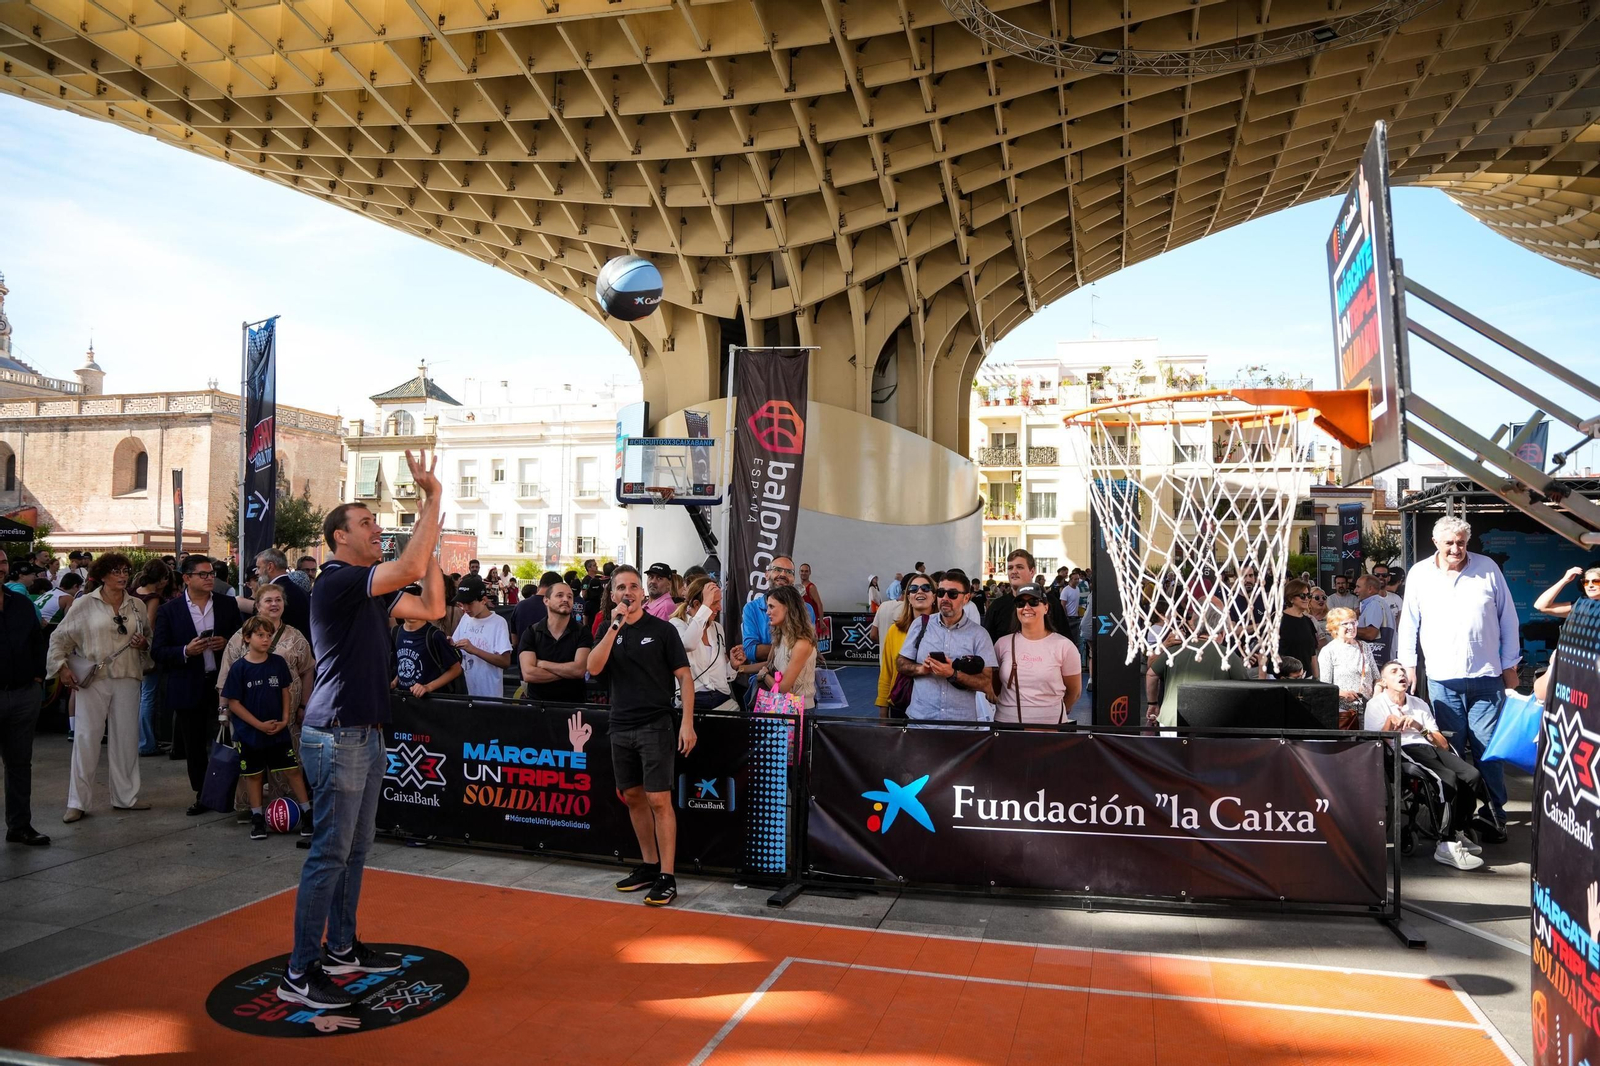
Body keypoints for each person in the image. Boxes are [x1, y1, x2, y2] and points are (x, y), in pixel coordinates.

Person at [277, 451, 446, 1011]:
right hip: (338, 733)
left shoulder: (370, 589)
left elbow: (434, 606)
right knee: (330, 852)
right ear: (339, 539)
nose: (378, 529)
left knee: (354, 849)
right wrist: (431, 500)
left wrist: (432, 536)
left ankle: (342, 948)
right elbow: (408, 570)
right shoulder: (339, 582)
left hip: (366, 733)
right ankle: (300, 972)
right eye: (367, 523)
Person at [1397, 514, 1521, 840]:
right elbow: (1409, 623)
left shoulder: (1487, 568)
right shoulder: (1420, 573)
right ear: (1436, 543)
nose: (1456, 548)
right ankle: (1456, 818)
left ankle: (1495, 817)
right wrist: (1409, 665)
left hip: (1487, 677)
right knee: (1450, 752)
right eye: (1449, 542)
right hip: (1441, 680)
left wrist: (1510, 664)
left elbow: (1508, 618)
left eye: (1461, 542)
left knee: (1488, 753)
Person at [585, 565, 694, 907]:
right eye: (621, 587)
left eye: (634, 586)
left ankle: (667, 875)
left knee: (659, 799)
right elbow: (593, 667)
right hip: (620, 724)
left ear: (643, 594)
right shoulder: (608, 628)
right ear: (613, 595)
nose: (628, 592)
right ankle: (648, 865)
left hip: (655, 724)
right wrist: (613, 627)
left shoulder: (662, 630)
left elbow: (685, 677)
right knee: (632, 796)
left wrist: (687, 723)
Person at [47, 552, 153, 821]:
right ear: (103, 575)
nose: (122, 576)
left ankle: (126, 797)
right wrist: (62, 667)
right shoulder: (84, 604)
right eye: (116, 571)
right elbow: (59, 638)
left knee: (127, 739)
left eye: (125, 571)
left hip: (128, 676)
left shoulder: (137, 606)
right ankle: (77, 802)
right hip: (94, 678)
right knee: (86, 738)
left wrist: (144, 644)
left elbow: (149, 638)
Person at [1366, 661, 1487, 870]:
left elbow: (1442, 744)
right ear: (1384, 682)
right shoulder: (1376, 704)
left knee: (1472, 775)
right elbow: (1374, 741)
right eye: (1394, 672)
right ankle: (1446, 844)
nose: (1401, 674)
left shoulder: (1419, 704)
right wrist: (1389, 724)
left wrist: (1418, 726)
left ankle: (1458, 829)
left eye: (1403, 671)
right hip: (1402, 748)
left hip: (1428, 746)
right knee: (1446, 779)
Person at [153, 554, 245, 816]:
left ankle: (235, 792)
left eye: (211, 574)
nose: (209, 579)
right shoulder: (169, 610)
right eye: (203, 574)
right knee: (194, 745)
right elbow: (158, 652)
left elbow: (243, 638)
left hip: (223, 685)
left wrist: (226, 642)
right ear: (186, 578)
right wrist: (185, 650)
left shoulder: (227, 605)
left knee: (231, 739)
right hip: (189, 683)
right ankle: (203, 794)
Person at [222, 616, 313, 841]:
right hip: (250, 733)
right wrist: (258, 725)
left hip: (277, 731)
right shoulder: (239, 668)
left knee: (292, 770)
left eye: (268, 635)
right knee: (253, 775)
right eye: (260, 635)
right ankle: (257, 818)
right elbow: (234, 703)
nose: (265, 639)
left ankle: (308, 813)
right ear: (247, 638)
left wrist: (284, 719)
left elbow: (285, 691)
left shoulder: (277, 663)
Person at [897, 569, 996, 722]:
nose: (945, 598)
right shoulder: (920, 625)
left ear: (966, 598)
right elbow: (901, 663)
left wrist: (952, 674)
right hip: (921, 722)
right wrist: (921, 669)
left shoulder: (979, 635)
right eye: (941, 592)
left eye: (953, 594)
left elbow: (986, 682)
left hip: (960, 726)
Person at [1, 553, 49, 845]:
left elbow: (37, 640)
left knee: (20, 764)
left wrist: (38, 677)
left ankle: (19, 826)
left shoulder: (20, 603)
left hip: (23, 694)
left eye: (3, 562)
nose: (1, 568)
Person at [993, 582, 1083, 725]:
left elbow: (1074, 692)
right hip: (1007, 727)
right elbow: (996, 686)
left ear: (1046, 607)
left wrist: (1050, 713)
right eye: (1021, 603)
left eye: (1034, 602)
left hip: (1051, 729)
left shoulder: (1064, 646)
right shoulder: (1002, 644)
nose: (1026, 607)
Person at [1146, 622, 1250, 728]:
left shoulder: (1174, 650)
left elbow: (1151, 675)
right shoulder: (1228, 655)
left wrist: (1152, 703)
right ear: (1222, 634)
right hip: (1210, 724)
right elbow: (1246, 690)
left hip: (1170, 719)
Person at [670, 577, 741, 710]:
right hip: (693, 699)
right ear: (697, 604)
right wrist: (705, 606)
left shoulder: (717, 628)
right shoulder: (676, 625)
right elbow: (688, 644)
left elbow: (720, 676)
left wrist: (732, 665)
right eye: (714, 603)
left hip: (721, 697)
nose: (719, 607)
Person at [519, 577, 592, 704]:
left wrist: (543, 664)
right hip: (538, 708)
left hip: (573, 708)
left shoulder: (583, 632)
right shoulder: (531, 632)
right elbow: (529, 674)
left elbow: (579, 670)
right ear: (546, 600)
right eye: (559, 595)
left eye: (570, 597)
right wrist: (568, 672)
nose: (565, 599)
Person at [740, 556, 816, 666]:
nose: (783, 574)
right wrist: (793, 649)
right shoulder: (751, 609)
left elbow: (810, 646)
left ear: (793, 579)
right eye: (777, 569)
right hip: (762, 677)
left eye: (789, 572)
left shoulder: (807, 609)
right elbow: (751, 651)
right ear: (767, 574)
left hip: (798, 675)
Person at [876, 575, 935, 717]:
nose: (919, 591)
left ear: (934, 596)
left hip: (934, 706)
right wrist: (883, 715)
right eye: (913, 589)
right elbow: (887, 672)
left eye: (926, 588)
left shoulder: (945, 631)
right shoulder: (895, 630)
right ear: (908, 598)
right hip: (901, 702)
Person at [983, 549, 1071, 643]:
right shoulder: (997, 607)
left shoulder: (1051, 603)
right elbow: (987, 646)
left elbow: (1066, 640)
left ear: (1032, 571)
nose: (1014, 571)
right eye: (1010, 568)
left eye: (1019, 567)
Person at [751, 584, 817, 710]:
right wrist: (738, 669)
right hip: (781, 707)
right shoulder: (780, 636)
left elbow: (783, 688)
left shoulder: (802, 643)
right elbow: (769, 665)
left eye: (771, 606)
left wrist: (764, 676)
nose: (767, 612)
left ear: (787, 608)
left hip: (800, 711)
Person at [131, 561, 171, 756]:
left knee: (135, 696)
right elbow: (150, 625)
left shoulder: (132, 591)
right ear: (162, 579)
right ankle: (146, 742)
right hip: (146, 650)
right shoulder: (153, 597)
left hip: (129, 648)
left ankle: (137, 739)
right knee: (148, 697)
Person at [392, 594, 464, 698]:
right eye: (407, 606)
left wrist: (428, 687)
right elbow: (401, 663)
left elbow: (456, 669)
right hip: (404, 700)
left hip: (429, 701)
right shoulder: (396, 632)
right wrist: (394, 682)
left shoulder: (435, 636)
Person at [1317, 607, 1379, 727]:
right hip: (1344, 713)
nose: (1351, 627)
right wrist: (1343, 693)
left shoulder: (1364, 647)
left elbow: (1377, 678)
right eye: (1345, 624)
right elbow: (1325, 688)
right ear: (1334, 627)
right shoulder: (1328, 651)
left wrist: (1376, 699)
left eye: (1353, 622)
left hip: (1368, 711)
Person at [451, 582, 513, 698]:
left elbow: (505, 662)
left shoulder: (498, 623)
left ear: (484, 600)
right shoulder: (465, 618)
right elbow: (456, 644)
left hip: (489, 696)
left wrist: (474, 650)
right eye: (462, 604)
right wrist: (451, 644)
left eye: (469, 603)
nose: (465, 608)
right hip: (466, 694)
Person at [256, 548, 312, 639]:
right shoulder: (300, 590)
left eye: (258, 567)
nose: (257, 572)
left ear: (270, 566)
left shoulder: (279, 591)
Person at [1278, 579, 1320, 676]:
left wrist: (1316, 679)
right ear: (1291, 598)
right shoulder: (1279, 620)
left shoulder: (1308, 621)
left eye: (1308, 595)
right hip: (1284, 677)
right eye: (1302, 596)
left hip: (1306, 677)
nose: (1306, 599)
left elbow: (1312, 654)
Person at [1533, 565, 1600, 617]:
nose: (1590, 585)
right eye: (1586, 582)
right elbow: (1540, 606)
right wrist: (1565, 580)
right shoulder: (1582, 606)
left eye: (1596, 581)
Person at [1354, 574, 1393, 661]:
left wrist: (1347, 629)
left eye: (1358, 587)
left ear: (1370, 589)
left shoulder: (1374, 604)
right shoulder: (1376, 603)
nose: (1355, 591)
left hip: (1377, 661)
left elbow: (1370, 634)